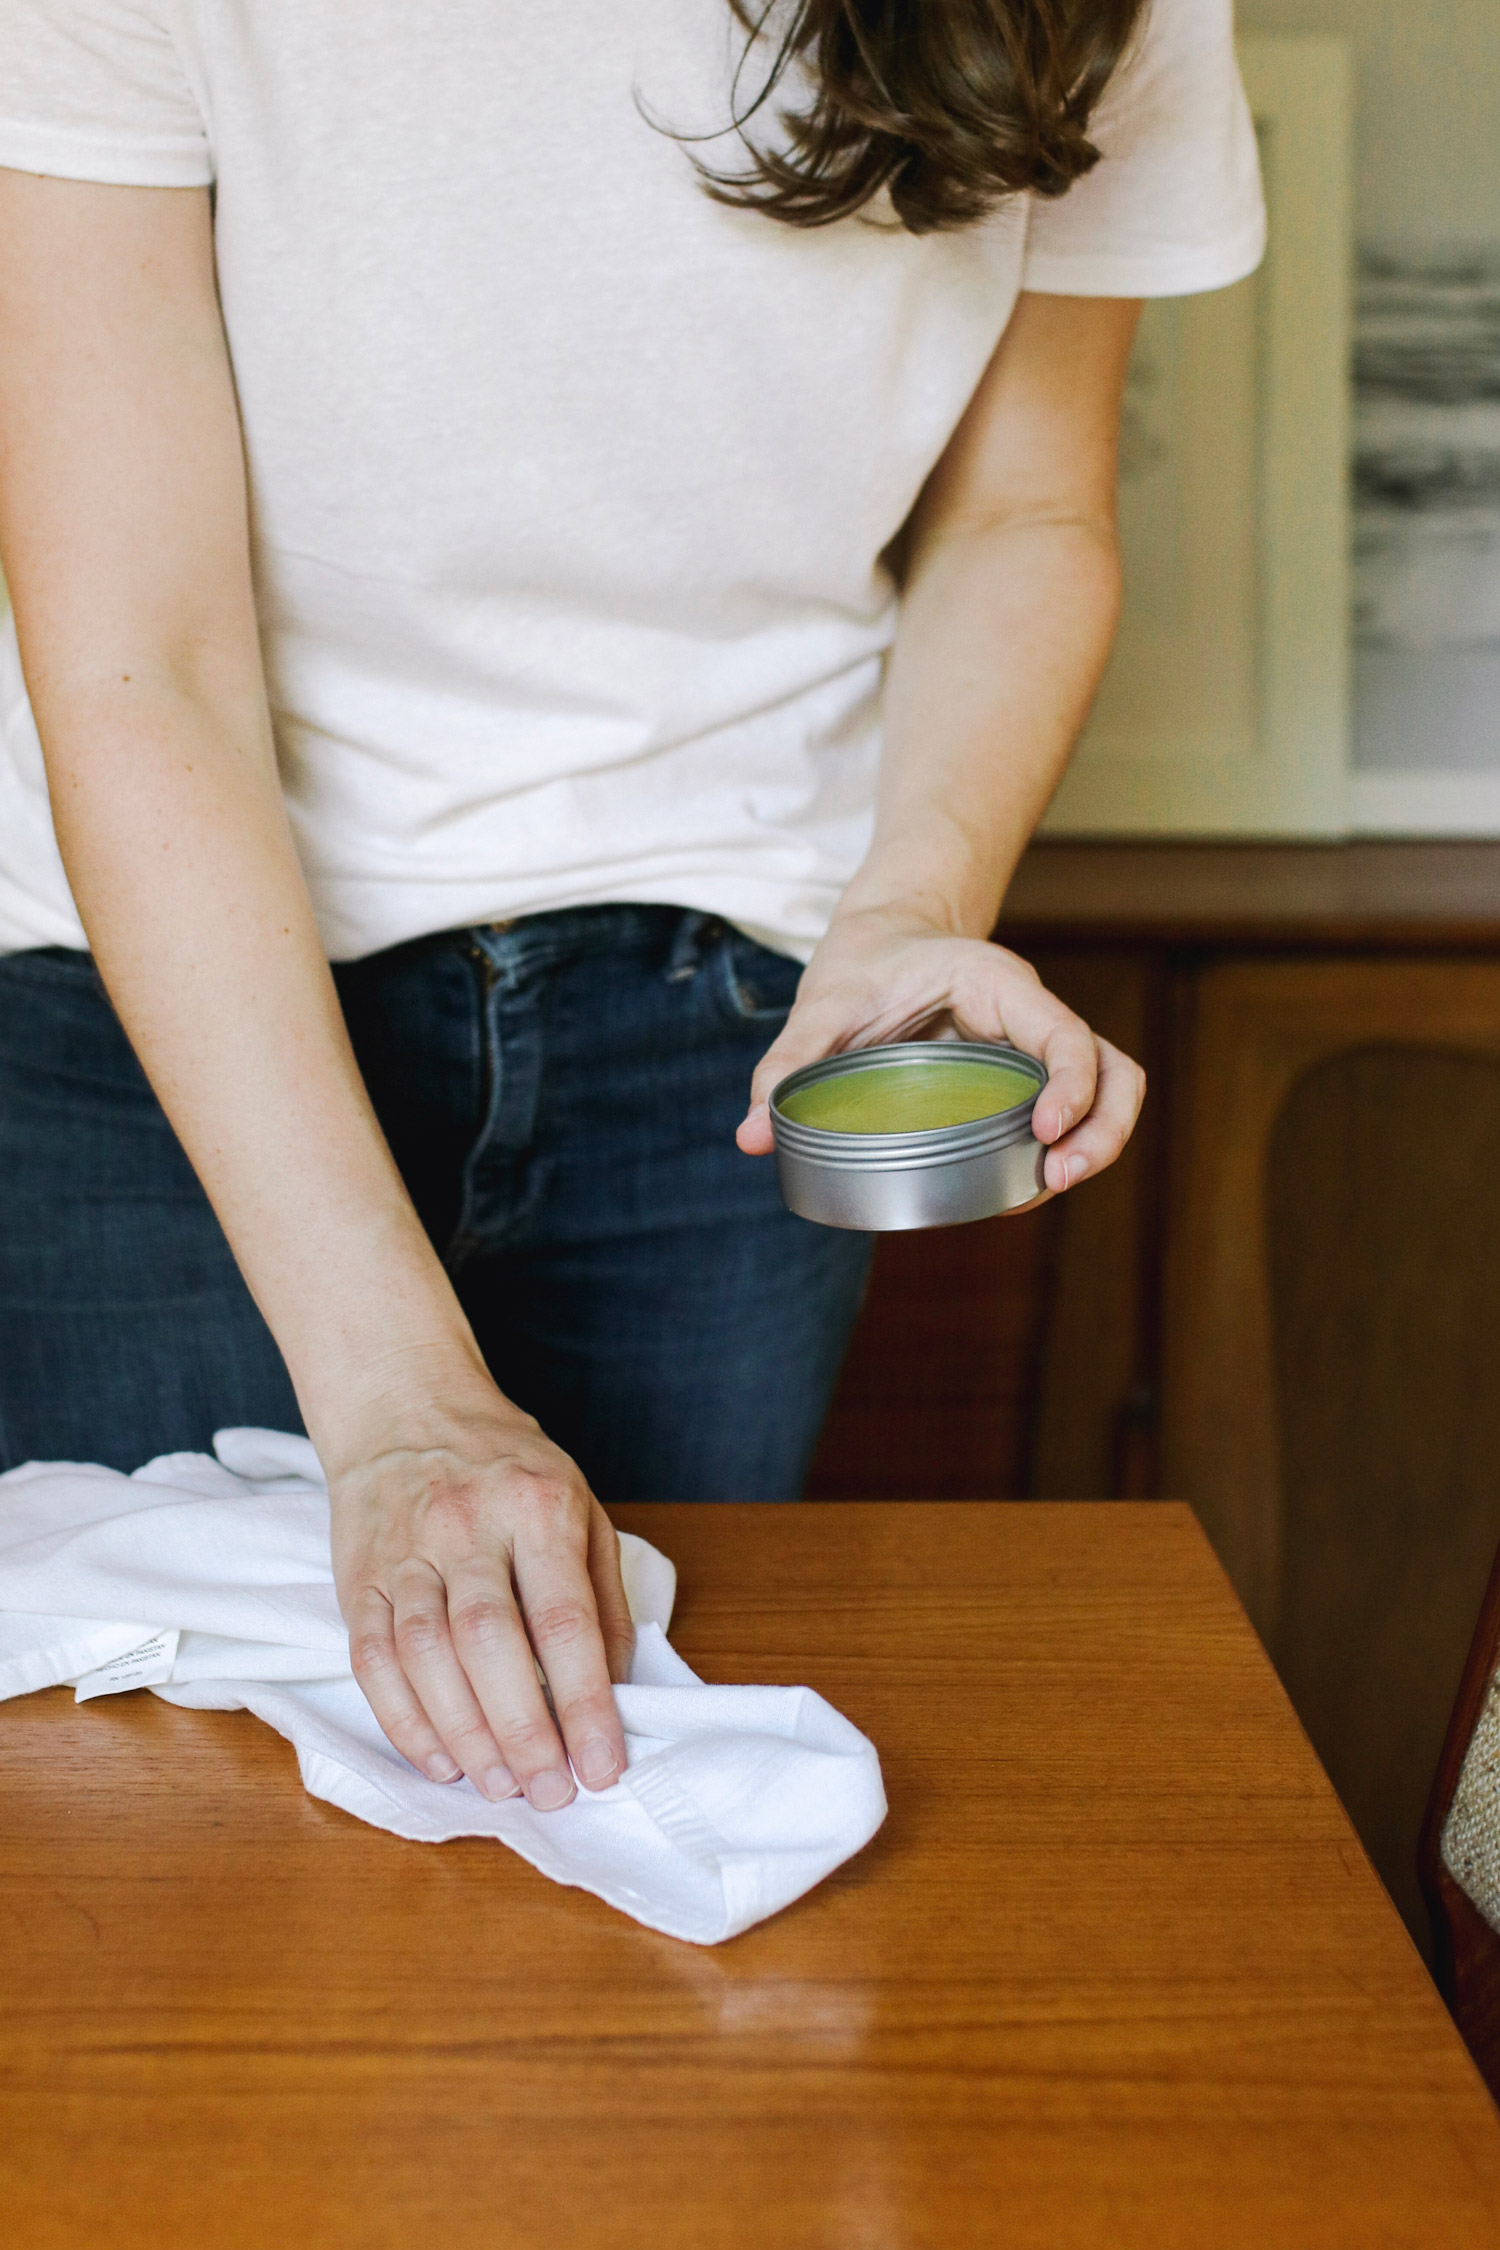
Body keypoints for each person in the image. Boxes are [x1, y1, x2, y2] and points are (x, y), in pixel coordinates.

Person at [0, 0, 1263, 1812]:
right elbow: (144, 656)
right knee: (181, 1842)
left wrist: (908, 908)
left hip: (730, 997)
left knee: (611, 1773)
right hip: (159, 989)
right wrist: (397, 1401)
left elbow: (1028, 509)